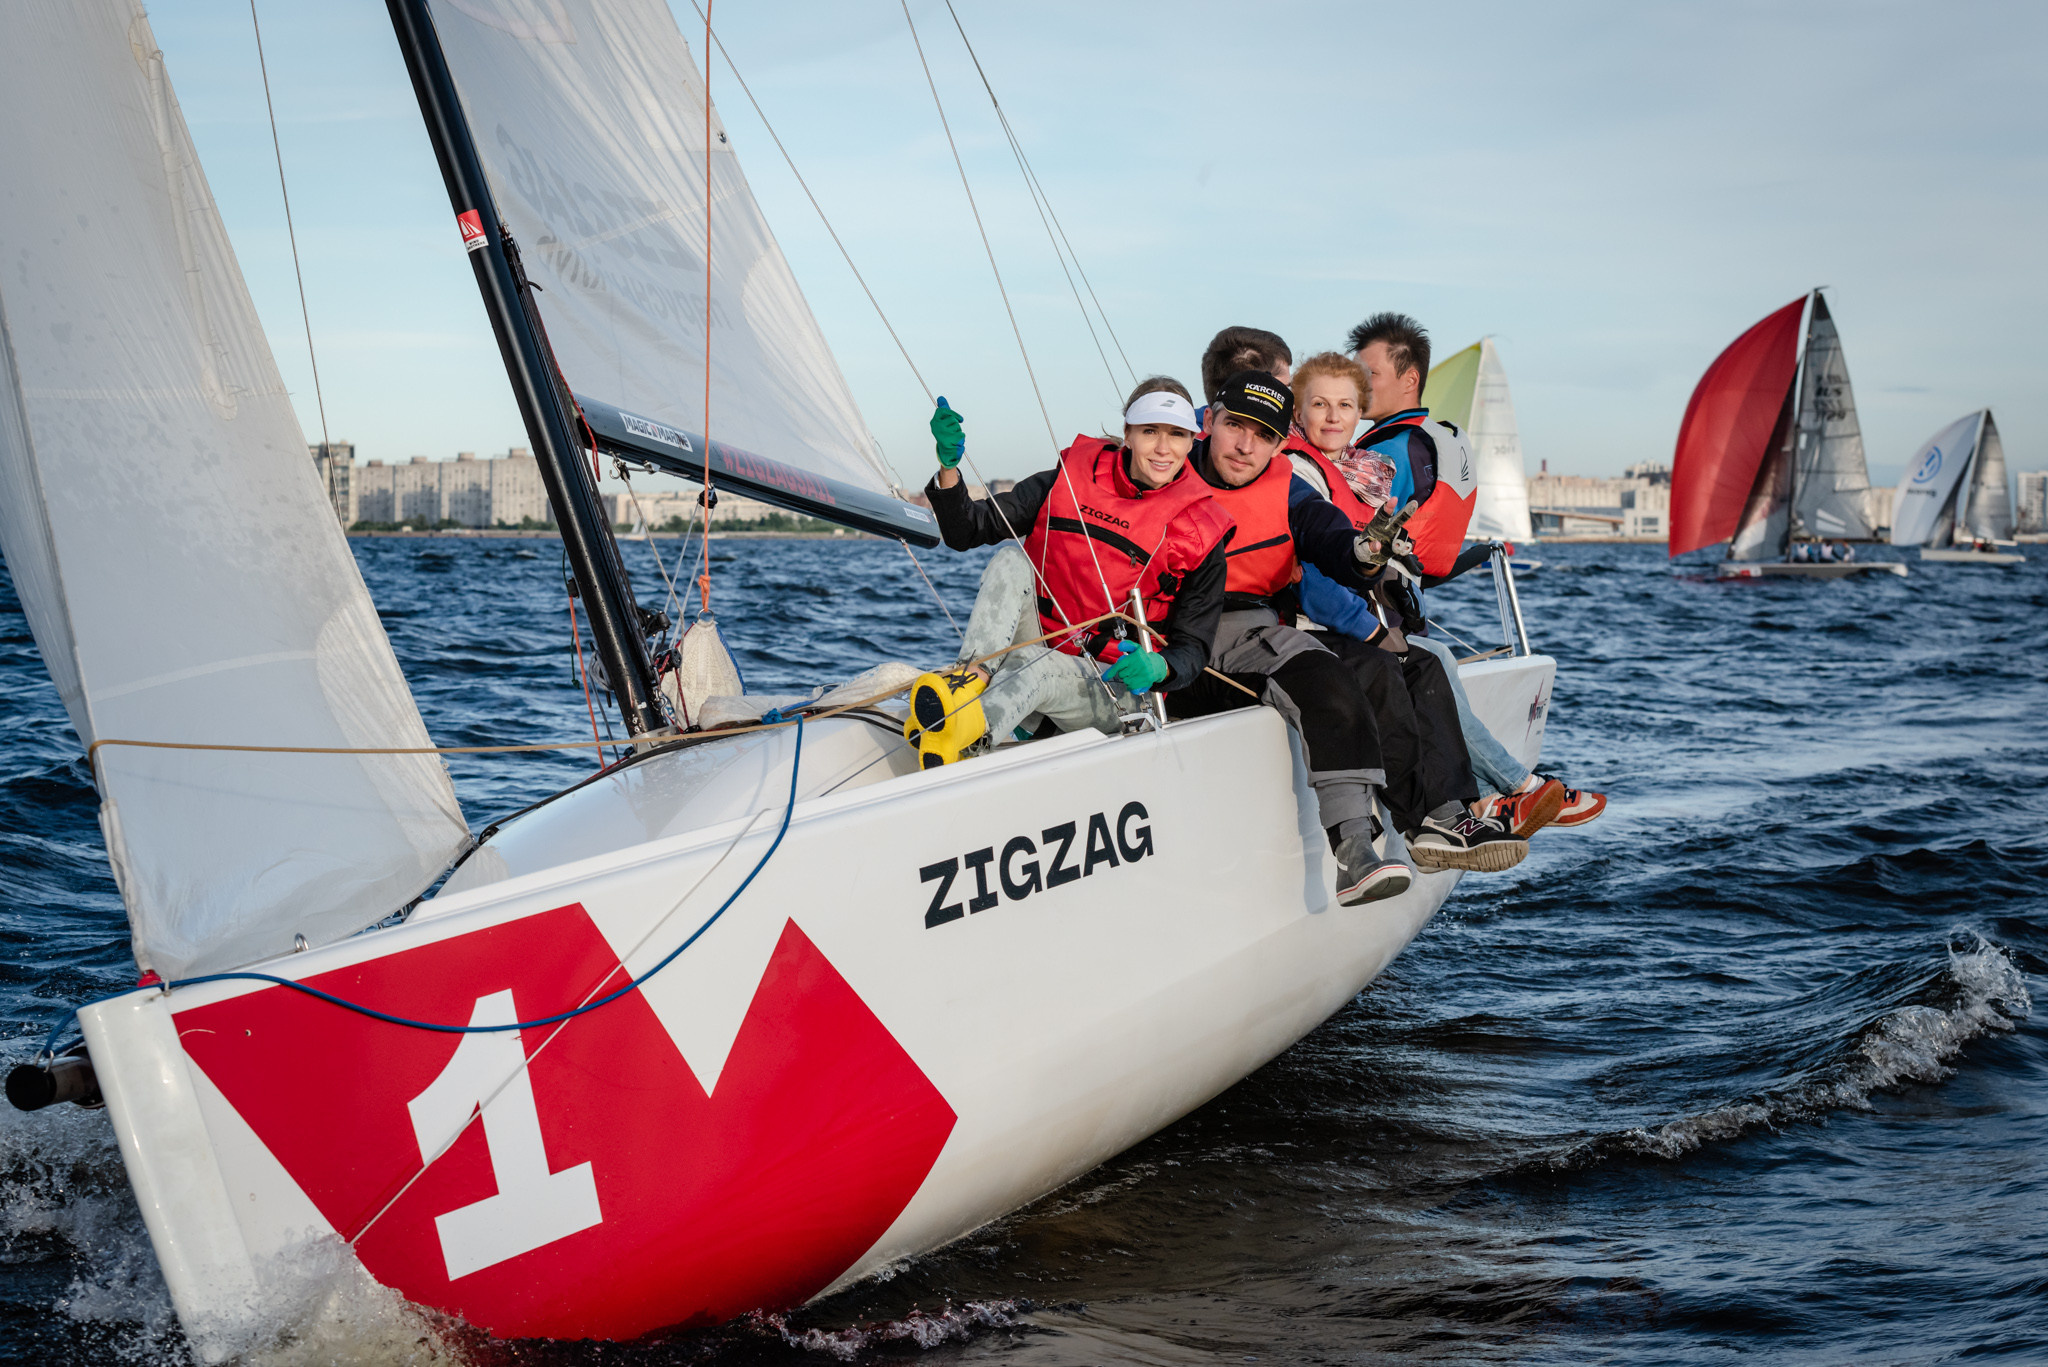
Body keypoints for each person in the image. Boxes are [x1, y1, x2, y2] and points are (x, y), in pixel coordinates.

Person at [1171, 369, 1526, 886]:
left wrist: (1364, 554)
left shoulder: (1286, 488)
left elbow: (1328, 536)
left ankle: (1436, 818)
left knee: (1414, 663)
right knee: (1334, 678)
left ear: (1277, 442)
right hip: (1188, 641)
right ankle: (1360, 841)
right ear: (1211, 421)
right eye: (1235, 426)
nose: (1246, 445)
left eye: (1265, 435)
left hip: (1255, 626)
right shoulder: (1165, 471)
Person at [1349, 315, 1605, 832]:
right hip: (1407, 607)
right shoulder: (1432, 440)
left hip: (1376, 611)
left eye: (1368, 374)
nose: (1359, 387)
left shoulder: (1384, 451)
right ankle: (1517, 790)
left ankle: (1513, 791)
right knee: (1437, 659)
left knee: (1433, 664)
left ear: (1409, 378)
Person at [914, 377, 1234, 770]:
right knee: (1011, 561)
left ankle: (967, 736)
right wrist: (949, 468)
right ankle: (968, 683)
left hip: (1114, 688)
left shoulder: (1202, 530)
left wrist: (1162, 667)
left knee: (1035, 670)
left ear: (1191, 441)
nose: (1164, 448)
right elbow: (967, 531)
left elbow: (1194, 647)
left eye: (1177, 434)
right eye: (1150, 431)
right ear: (1128, 433)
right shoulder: (1069, 477)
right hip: (1039, 650)